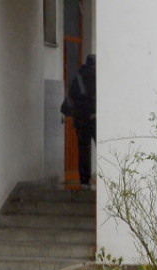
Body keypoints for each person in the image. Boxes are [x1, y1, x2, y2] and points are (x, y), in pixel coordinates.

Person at [61, 54, 97, 186]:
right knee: (103, 147)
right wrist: (93, 111)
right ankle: (107, 178)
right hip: (93, 119)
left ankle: (84, 181)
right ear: (95, 65)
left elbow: (72, 96)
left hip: (80, 119)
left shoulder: (77, 76)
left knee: (83, 150)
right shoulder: (95, 76)